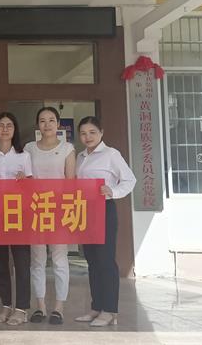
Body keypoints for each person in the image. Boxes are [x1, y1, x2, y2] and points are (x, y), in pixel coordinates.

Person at [74, 116, 136, 327]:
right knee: (92, 260)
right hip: (85, 211)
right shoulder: (80, 157)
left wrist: (113, 191)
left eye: (92, 132)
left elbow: (130, 180)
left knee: (106, 260)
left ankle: (110, 310)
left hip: (104, 210)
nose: (88, 137)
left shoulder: (111, 154)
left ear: (101, 132)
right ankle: (96, 307)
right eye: (83, 133)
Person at [24, 106, 75, 325]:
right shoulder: (29, 148)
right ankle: (40, 306)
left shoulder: (67, 148)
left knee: (59, 259)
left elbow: (71, 182)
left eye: (51, 120)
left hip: (59, 211)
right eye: (43, 120)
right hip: (35, 210)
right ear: (38, 125)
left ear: (58, 124)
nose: (47, 124)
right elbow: (26, 179)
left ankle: (59, 308)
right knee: (37, 260)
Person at [0, 112, 32, 326]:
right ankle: (5, 305)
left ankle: (21, 308)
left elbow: (31, 186)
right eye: (1, 125)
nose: (5, 129)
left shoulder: (24, 156)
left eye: (9, 125)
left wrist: (24, 181)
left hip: (19, 215)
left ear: (14, 130)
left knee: (21, 263)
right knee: (0, 263)